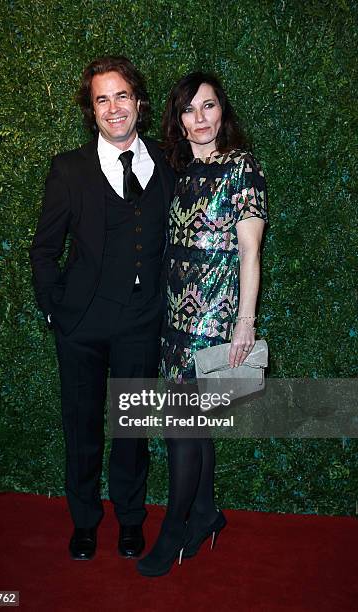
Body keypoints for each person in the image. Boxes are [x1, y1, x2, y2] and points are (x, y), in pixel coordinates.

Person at [29, 56, 174, 561]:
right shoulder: (69, 169)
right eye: (101, 99)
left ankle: (130, 521)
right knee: (83, 429)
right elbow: (44, 248)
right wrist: (54, 310)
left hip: (141, 322)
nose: (114, 108)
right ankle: (85, 522)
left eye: (121, 96)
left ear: (139, 102)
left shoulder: (167, 162)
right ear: (91, 110)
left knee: (132, 433)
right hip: (81, 325)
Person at [137, 72, 267, 576]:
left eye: (208, 107)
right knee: (190, 430)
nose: (200, 119)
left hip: (213, 325)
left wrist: (245, 323)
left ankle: (173, 531)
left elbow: (251, 249)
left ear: (222, 113)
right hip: (174, 321)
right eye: (189, 110)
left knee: (182, 431)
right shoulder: (182, 170)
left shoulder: (242, 167)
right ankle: (208, 513)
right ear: (179, 120)